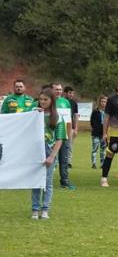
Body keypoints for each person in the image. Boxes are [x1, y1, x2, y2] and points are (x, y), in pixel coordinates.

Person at [30, 89, 66, 220]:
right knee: (35, 182)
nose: (43, 102)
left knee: (47, 182)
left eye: (45, 99)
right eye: (41, 99)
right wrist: (34, 112)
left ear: (52, 101)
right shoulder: (34, 113)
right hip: (35, 151)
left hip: (49, 151)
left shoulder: (58, 117)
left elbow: (60, 138)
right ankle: (35, 209)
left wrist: (52, 156)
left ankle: (45, 209)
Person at [52, 83, 75, 190]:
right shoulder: (48, 101)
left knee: (64, 159)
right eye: (56, 89)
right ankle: (45, 180)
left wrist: (69, 134)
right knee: (49, 158)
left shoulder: (66, 102)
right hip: (50, 135)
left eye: (60, 89)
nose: (58, 91)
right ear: (51, 90)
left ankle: (64, 181)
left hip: (63, 134)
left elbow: (69, 119)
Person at [90, 95, 107, 169]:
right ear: (99, 102)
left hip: (104, 134)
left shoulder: (107, 113)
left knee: (103, 150)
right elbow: (92, 122)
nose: (103, 103)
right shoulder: (95, 111)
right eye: (102, 101)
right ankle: (93, 163)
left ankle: (102, 164)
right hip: (96, 133)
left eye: (105, 102)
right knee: (95, 149)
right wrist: (96, 128)